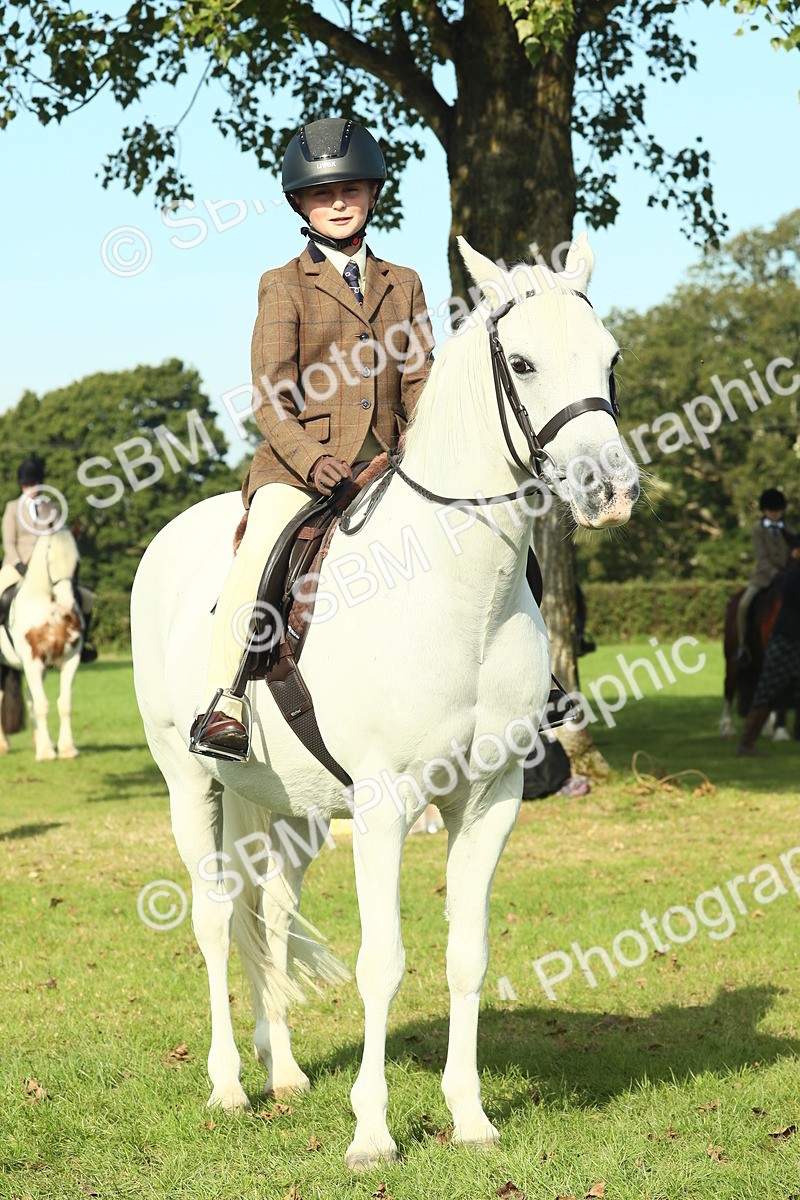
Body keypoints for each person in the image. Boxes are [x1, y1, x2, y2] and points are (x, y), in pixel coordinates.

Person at [190, 117, 434, 760]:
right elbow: (270, 395)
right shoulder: (283, 283)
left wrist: (425, 442)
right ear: (300, 202)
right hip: (300, 468)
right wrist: (311, 459)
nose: (337, 202)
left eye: (349, 189)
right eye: (323, 193)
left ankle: (528, 679)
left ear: (372, 194)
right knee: (261, 556)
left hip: (391, 462)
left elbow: (419, 379)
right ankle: (227, 701)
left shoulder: (403, 282)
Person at [0, 457, 97, 662]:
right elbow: (9, 542)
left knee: (86, 598)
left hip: (48, 570)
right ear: (22, 486)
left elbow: (60, 537)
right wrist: (18, 563)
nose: (31, 488)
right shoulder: (12, 508)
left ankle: (83, 643)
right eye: (27, 485)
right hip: (17, 566)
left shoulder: (50, 507)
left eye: (34, 484)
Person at [737, 554, 800, 755]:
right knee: (768, 690)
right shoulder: (796, 574)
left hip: (789, 639)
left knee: (769, 689)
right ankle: (746, 742)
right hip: (787, 641)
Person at [736, 488, 795, 664]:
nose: (775, 514)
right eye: (772, 510)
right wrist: (776, 574)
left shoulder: (790, 530)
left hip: (788, 577)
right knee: (743, 605)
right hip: (763, 578)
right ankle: (742, 646)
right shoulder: (758, 531)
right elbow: (762, 559)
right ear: (764, 511)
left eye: (778, 510)